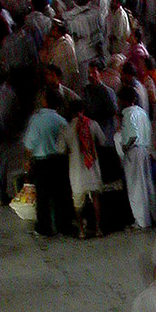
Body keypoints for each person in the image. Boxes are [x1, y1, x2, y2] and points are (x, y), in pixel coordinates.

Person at [23, 88, 73, 238]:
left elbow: (29, 144)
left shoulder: (36, 120)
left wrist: (27, 160)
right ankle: (63, 225)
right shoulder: (61, 120)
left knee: (43, 197)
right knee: (61, 195)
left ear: (45, 101)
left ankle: (44, 228)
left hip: (41, 163)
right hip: (59, 162)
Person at [59, 102, 106, 239]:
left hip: (76, 171)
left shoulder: (66, 129)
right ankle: (98, 229)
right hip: (92, 168)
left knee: (78, 202)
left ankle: (81, 231)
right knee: (96, 198)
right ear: (83, 110)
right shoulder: (92, 124)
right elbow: (102, 141)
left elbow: (61, 149)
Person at [117, 85, 156, 230]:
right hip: (144, 150)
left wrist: (125, 146)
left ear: (124, 100)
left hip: (133, 151)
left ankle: (140, 222)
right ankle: (151, 216)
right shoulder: (141, 112)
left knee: (135, 188)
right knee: (146, 185)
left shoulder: (128, 114)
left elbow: (132, 135)